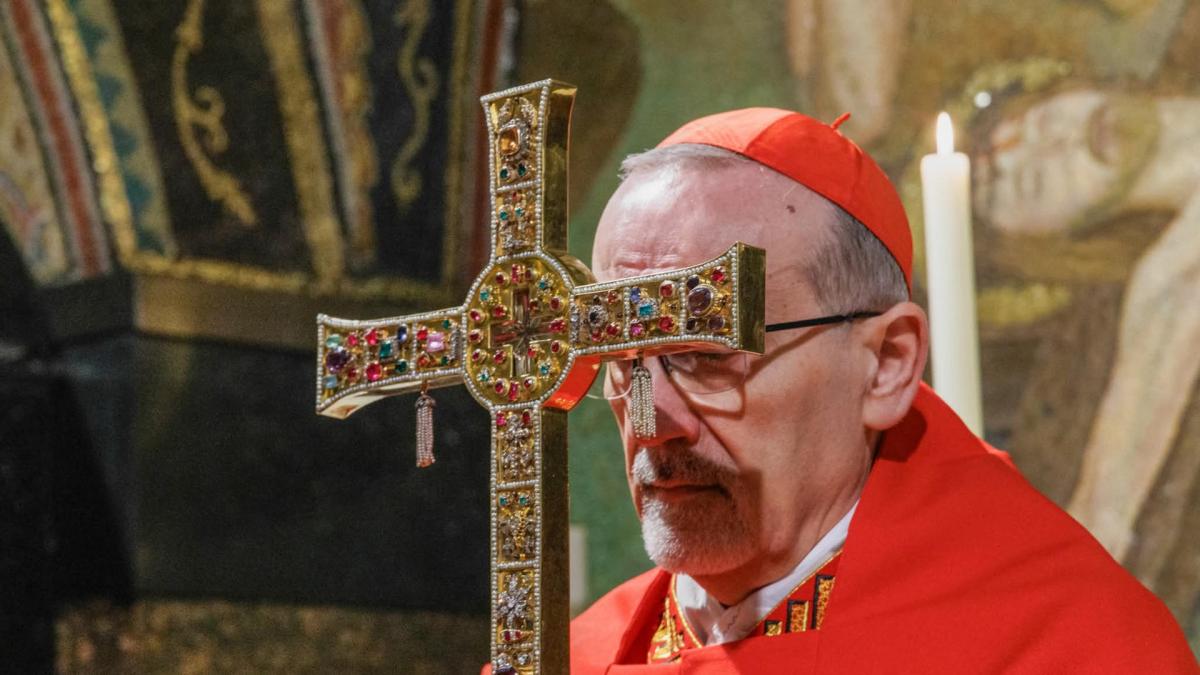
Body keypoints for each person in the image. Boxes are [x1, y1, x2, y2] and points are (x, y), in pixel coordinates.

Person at [568, 108, 1197, 672]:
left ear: (888, 363)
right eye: (621, 361)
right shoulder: (574, 657)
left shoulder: (1070, 647)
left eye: (706, 355)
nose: (650, 422)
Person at [976, 88, 1200, 564]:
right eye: (1036, 182)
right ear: (1068, 240)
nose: (1059, 143)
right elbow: (1102, 522)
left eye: (1038, 119)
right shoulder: (1174, 283)